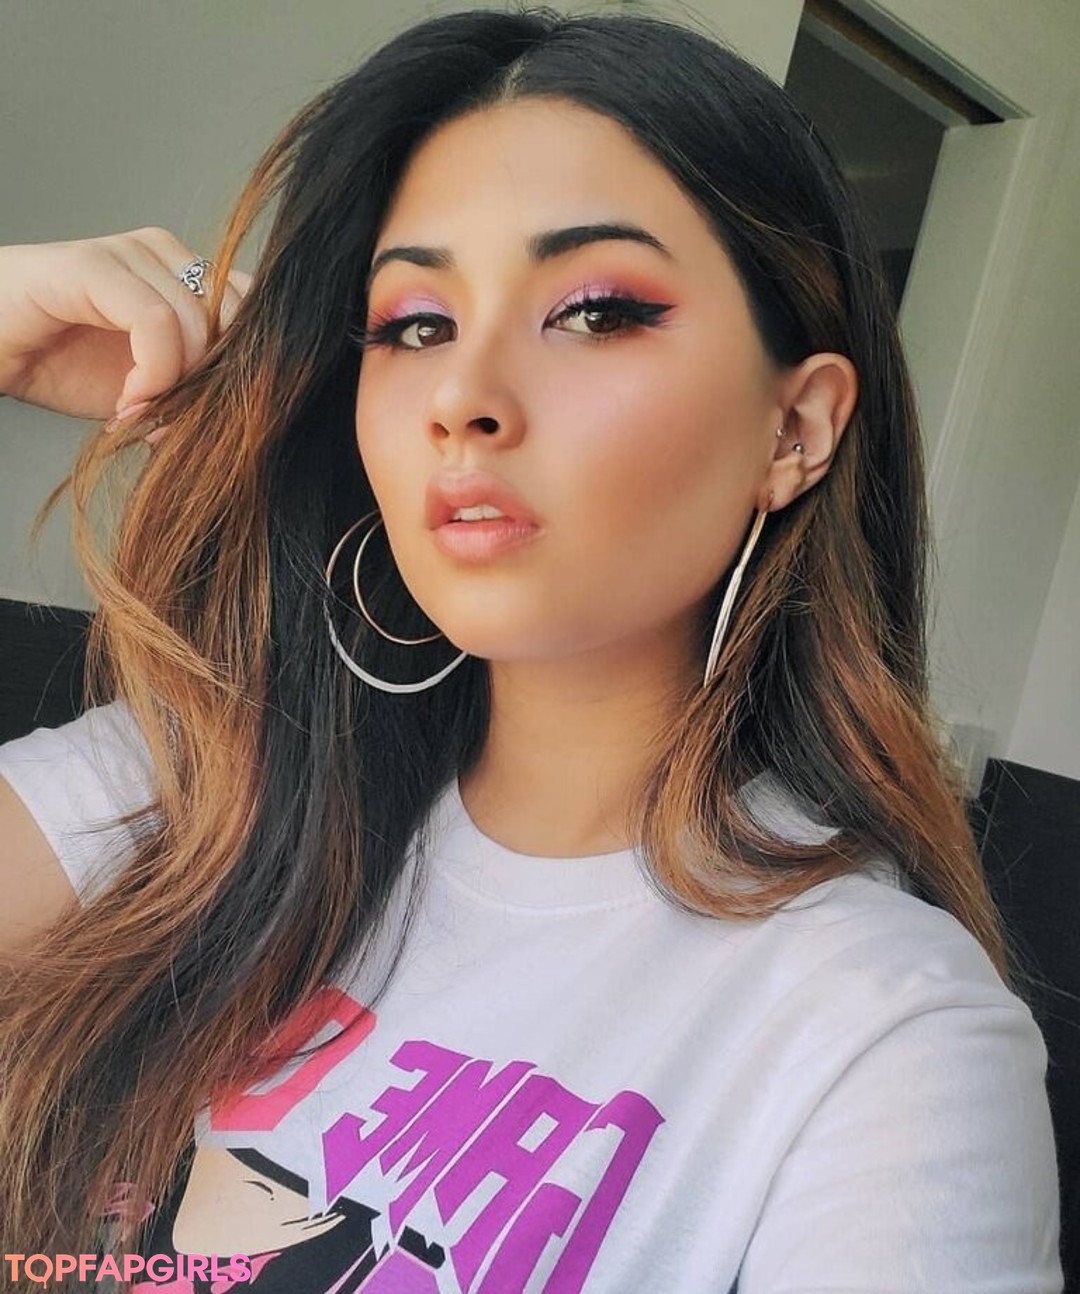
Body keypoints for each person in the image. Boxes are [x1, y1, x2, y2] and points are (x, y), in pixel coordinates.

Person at [0, 6, 1063, 1291]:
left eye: (598, 311)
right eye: (416, 324)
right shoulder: (203, 782)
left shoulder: (885, 1035)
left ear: (795, 429)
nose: (463, 397)